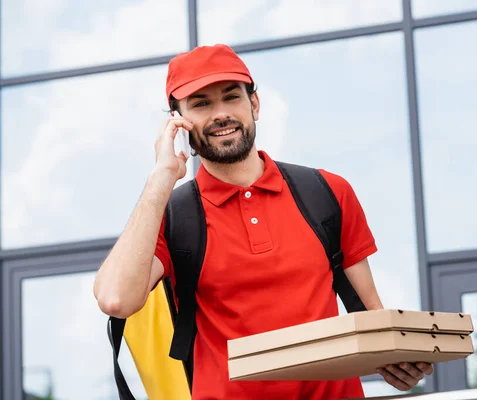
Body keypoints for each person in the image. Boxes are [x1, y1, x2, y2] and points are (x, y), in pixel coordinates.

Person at [93, 44, 433, 400]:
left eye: (231, 97)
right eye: (201, 104)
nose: (221, 114)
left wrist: (398, 364)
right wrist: (161, 177)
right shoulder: (173, 214)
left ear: (254, 104)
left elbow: (371, 314)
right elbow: (116, 299)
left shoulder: (326, 192)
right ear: (178, 123)